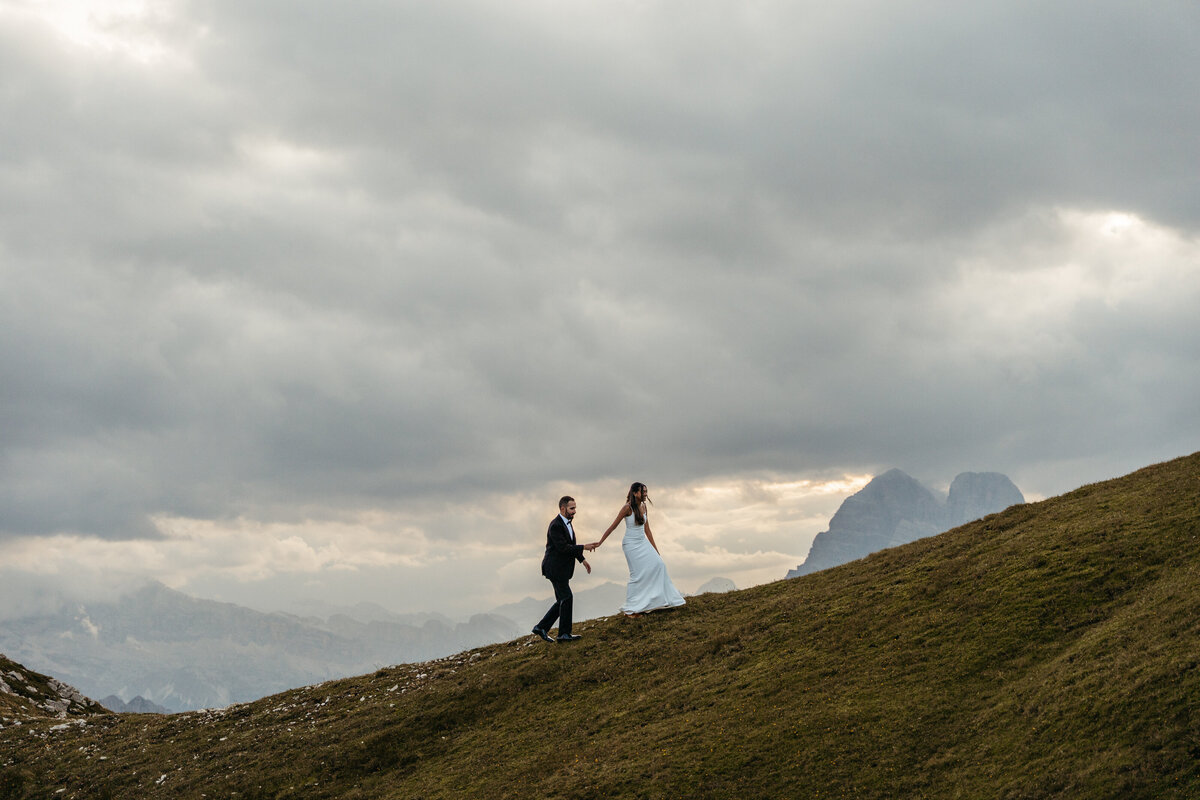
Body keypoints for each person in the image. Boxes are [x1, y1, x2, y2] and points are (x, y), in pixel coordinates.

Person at [597, 482, 685, 615]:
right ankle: (632, 608)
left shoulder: (644, 506)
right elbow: (613, 526)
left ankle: (659, 599)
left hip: (642, 542)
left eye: (646, 491)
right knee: (637, 575)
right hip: (630, 545)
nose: (645, 494)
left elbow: (647, 530)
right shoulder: (627, 508)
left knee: (659, 564)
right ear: (634, 493)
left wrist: (655, 551)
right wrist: (600, 542)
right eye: (643, 492)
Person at [532, 496, 596, 643]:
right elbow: (563, 548)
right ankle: (563, 634)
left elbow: (570, 546)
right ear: (562, 508)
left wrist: (582, 560)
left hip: (561, 569)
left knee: (562, 600)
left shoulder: (567, 524)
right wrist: (584, 547)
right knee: (567, 597)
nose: (574, 511)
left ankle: (541, 627)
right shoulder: (555, 525)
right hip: (554, 568)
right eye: (572, 508)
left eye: (575, 508)